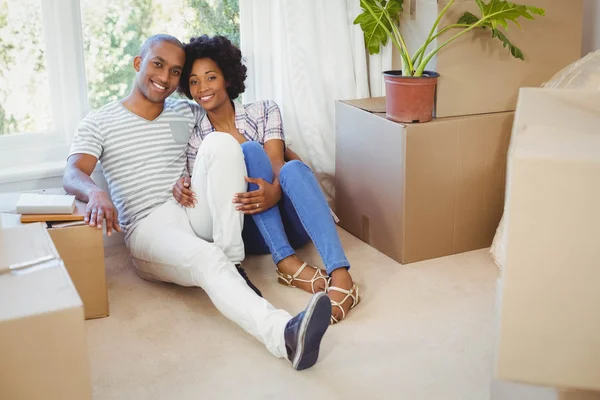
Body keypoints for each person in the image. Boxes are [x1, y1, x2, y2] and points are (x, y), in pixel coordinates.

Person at [63, 34, 331, 370]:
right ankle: (284, 336)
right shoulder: (98, 122)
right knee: (207, 258)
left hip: (192, 207)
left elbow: (230, 139)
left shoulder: (185, 110)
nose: (164, 77)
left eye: (175, 72)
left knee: (220, 142)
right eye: (157, 64)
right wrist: (96, 193)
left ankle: (232, 260)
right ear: (137, 63)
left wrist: (290, 173)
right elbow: (72, 173)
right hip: (149, 226)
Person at [173, 35, 360, 324]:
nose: (202, 88)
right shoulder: (197, 137)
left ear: (227, 78)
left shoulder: (264, 110)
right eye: (194, 81)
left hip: (295, 219)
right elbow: (205, 192)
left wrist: (274, 192)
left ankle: (341, 274)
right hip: (251, 231)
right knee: (247, 150)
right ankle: (285, 261)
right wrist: (181, 184)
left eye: (211, 77)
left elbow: (276, 161)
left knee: (290, 168)